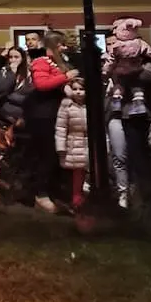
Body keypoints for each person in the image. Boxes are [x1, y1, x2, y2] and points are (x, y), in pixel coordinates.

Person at [25, 31, 78, 212]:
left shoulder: (57, 62)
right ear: (54, 45)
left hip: (57, 114)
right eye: (61, 44)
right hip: (43, 115)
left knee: (57, 155)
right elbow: (41, 84)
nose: (64, 48)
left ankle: (57, 193)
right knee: (47, 154)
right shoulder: (41, 61)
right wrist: (66, 77)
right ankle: (40, 194)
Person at [55, 78, 90, 210]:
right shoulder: (66, 105)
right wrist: (60, 146)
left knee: (86, 171)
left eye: (81, 89)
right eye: (75, 89)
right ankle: (76, 198)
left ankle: (85, 197)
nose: (78, 92)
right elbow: (61, 127)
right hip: (73, 142)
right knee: (76, 172)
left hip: (87, 142)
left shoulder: (90, 105)